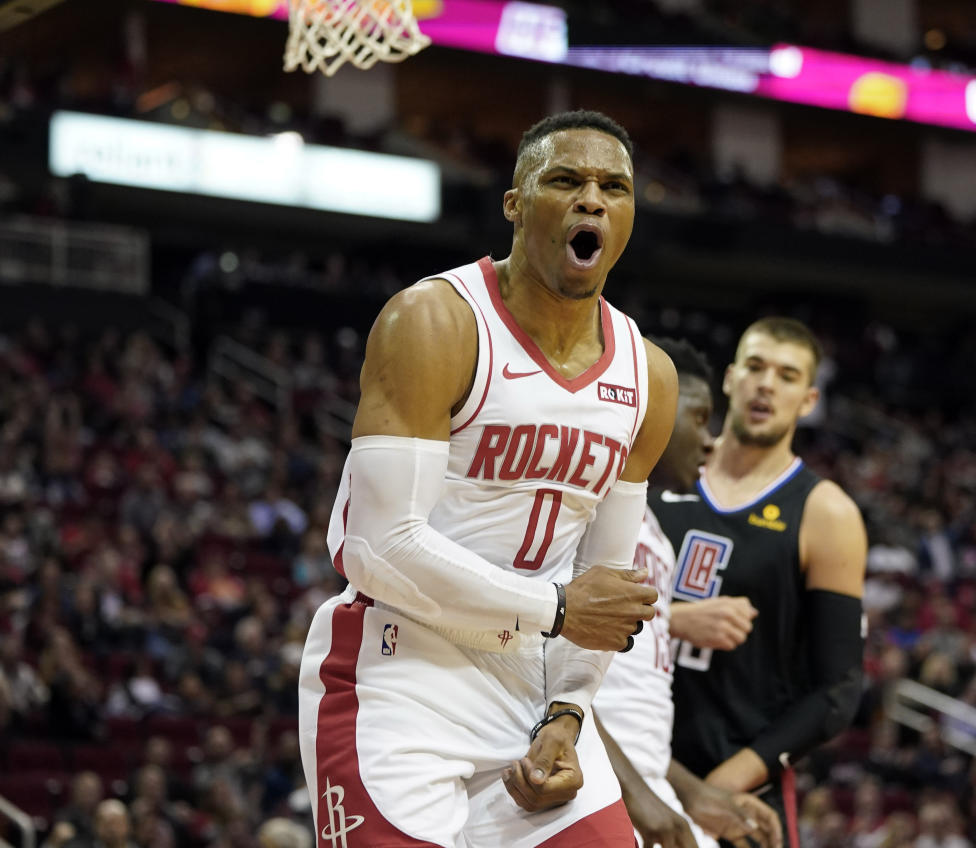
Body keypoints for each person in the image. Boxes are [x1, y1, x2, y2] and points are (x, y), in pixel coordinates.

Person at [298, 110, 678, 848]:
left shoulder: (648, 376)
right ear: (514, 204)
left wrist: (567, 713)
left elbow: (597, 589)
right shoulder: (434, 321)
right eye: (565, 180)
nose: (592, 200)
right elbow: (379, 546)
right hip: (400, 671)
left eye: (613, 187)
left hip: (531, 684)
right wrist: (557, 607)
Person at [653, 317, 867, 844]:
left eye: (787, 375)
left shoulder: (827, 513)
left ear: (809, 399)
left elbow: (837, 690)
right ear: (728, 379)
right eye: (755, 366)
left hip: (734, 783)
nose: (767, 384)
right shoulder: (654, 470)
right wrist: (674, 620)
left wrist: (721, 784)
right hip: (625, 754)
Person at [592, 337, 782, 848]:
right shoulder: (587, 506)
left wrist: (695, 795)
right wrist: (636, 797)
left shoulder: (652, 532)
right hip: (589, 786)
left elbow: (636, 709)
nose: (711, 441)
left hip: (640, 781)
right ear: (649, 413)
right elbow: (542, 677)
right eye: (699, 419)